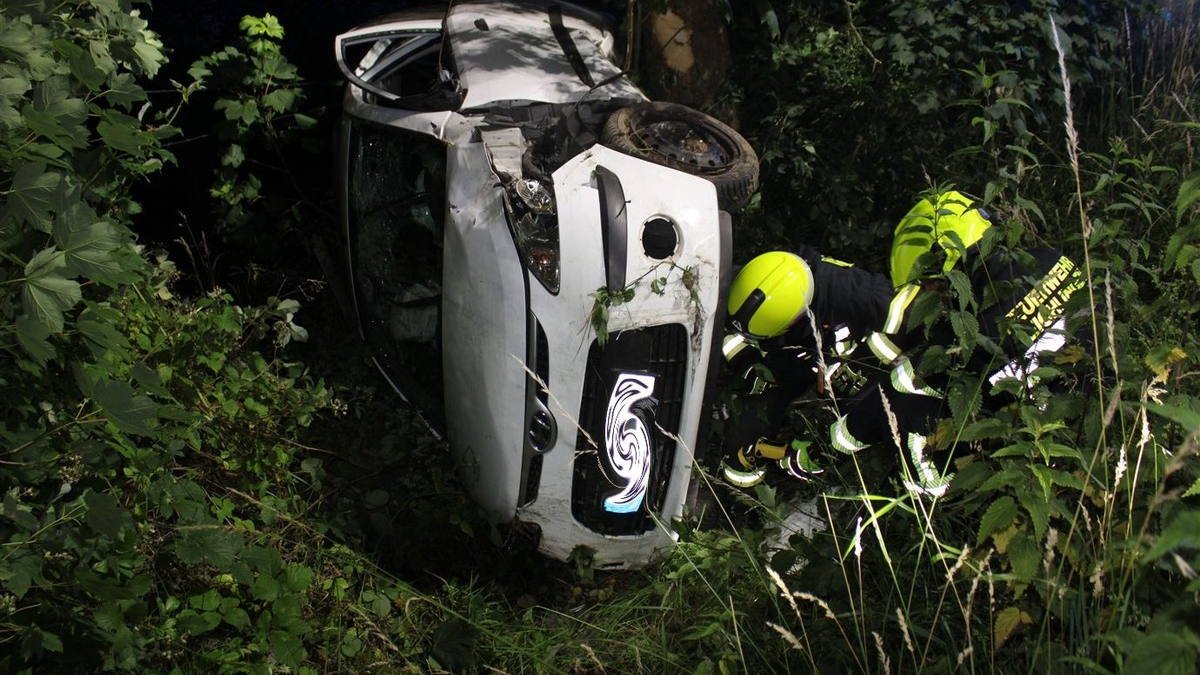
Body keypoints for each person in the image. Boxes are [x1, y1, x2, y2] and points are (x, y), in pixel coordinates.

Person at [722, 190, 1089, 495]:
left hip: (1052, 442)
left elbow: (889, 402)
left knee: (911, 419)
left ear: (946, 260)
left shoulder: (964, 332)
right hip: (1088, 402)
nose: (933, 292)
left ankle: (936, 516)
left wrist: (816, 453)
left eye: (933, 284)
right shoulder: (1049, 259)